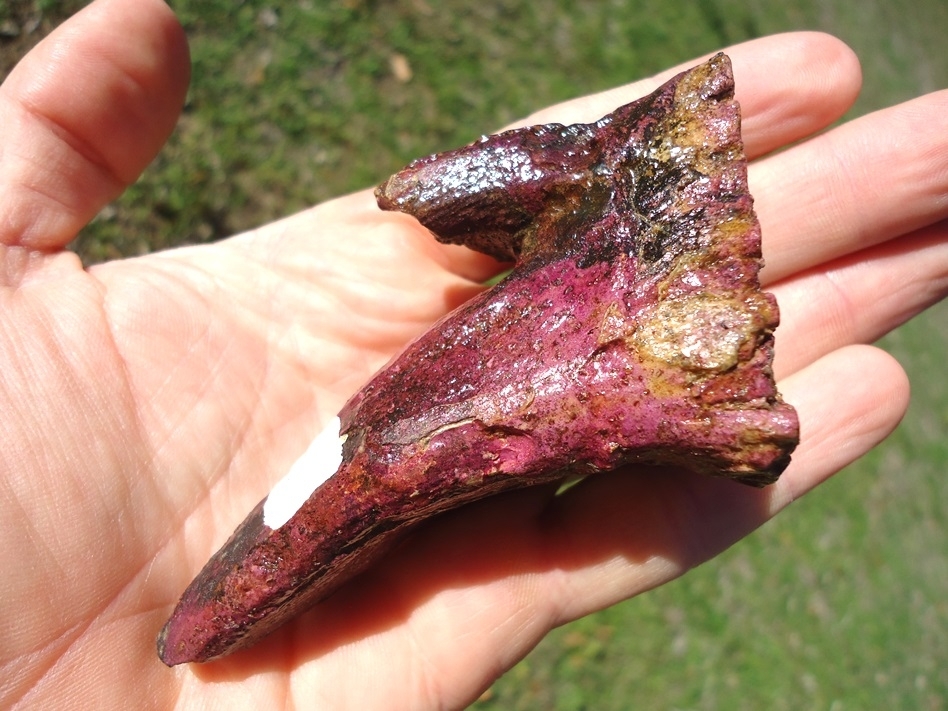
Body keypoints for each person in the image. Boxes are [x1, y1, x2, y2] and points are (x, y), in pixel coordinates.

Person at [0, 0, 944, 708]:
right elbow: (440, 193)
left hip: (638, 326)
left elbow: (440, 192)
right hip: (636, 311)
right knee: (378, 467)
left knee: (384, 463)